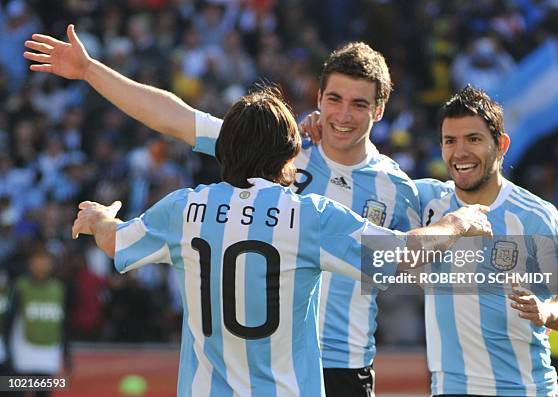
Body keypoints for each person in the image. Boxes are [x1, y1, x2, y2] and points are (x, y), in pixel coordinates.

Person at [24, 25, 421, 396]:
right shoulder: (276, 148)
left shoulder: (398, 187)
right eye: (334, 99)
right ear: (318, 97)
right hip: (268, 365)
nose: (343, 115)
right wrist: (91, 71)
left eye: (358, 104)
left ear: (379, 109)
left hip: (342, 365)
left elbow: (420, 260)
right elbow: (174, 117)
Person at [71, 87, 492, 397]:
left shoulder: (185, 209)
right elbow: (400, 256)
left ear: (224, 151)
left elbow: (114, 243)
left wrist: (99, 218)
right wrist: (459, 221)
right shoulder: (308, 216)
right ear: (290, 155)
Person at [412, 86, 558, 396]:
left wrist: (547, 313)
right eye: (450, 141)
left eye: (474, 139)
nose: (460, 152)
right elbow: (371, 178)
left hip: (526, 389)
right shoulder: (426, 202)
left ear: (501, 145)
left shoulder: (536, 216)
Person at [4, 247, 71, 397]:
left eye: (45, 261)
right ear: (30, 263)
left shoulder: (59, 289)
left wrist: (66, 355)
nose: (41, 265)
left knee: (43, 393)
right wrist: (8, 353)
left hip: (48, 356)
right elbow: (9, 321)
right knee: (13, 392)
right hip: (22, 355)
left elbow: (63, 324)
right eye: (37, 260)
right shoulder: (20, 286)